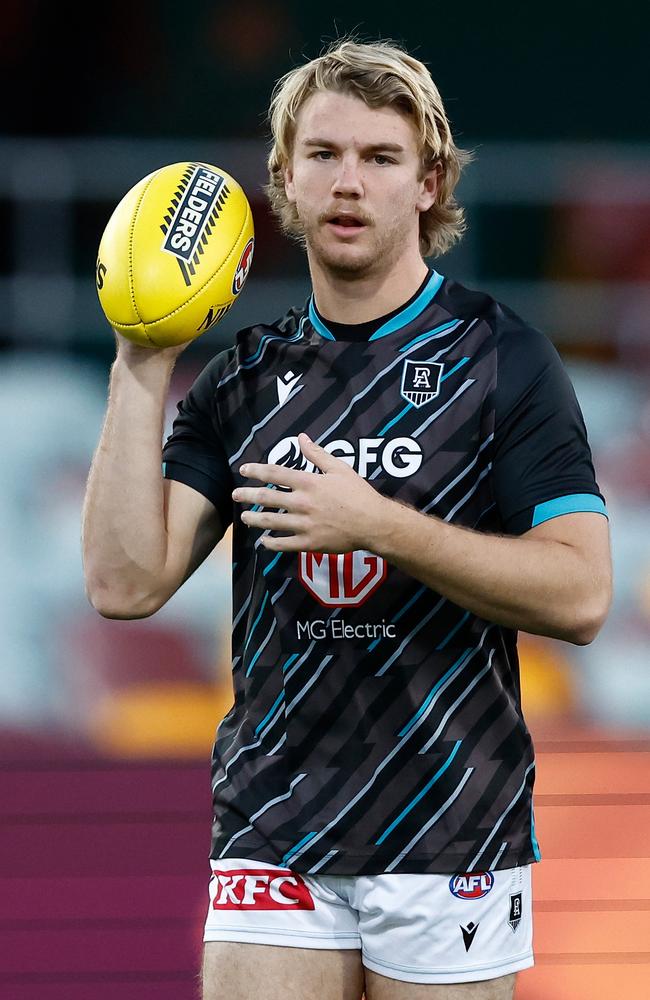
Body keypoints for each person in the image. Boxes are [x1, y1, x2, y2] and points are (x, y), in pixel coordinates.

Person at [82, 37, 612, 1000]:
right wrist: (141, 358)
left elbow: (581, 595)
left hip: (453, 824)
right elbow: (124, 584)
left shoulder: (505, 359)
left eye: (380, 158)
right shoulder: (240, 379)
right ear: (283, 179)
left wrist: (380, 525)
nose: (347, 183)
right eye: (323, 155)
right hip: (273, 821)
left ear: (429, 182)